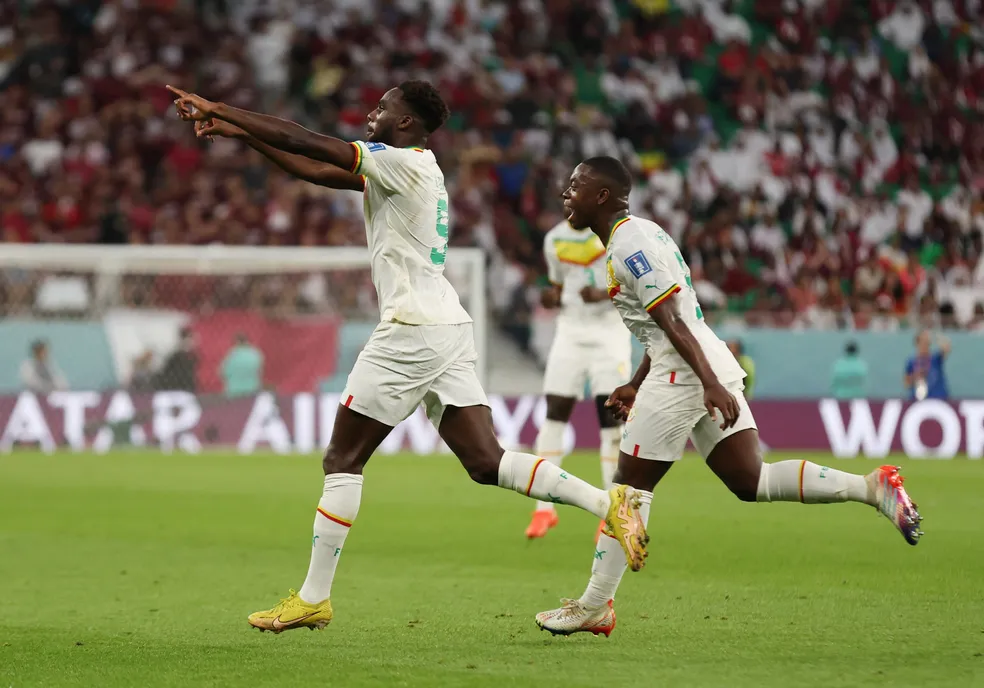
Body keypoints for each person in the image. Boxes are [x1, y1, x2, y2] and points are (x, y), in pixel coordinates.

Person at [167, 82, 648, 633]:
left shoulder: (404, 165)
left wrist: (222, 107)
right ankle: (608, 503)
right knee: (486, 462)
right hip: (446, 325)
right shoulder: (412, 168)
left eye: (381, 109)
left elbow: (313, 144)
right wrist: (240, 133)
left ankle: (313, 598)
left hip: (410, 331)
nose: (370, 114)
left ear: (405, 124)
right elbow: (317, 171)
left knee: (341, 460)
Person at [534, 157, 923, 637]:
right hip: (698, 363)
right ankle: (871, 488)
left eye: (577, 185)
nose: (566, 193)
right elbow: (667, 327)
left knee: (627, 492)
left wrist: (706, 384)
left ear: (603, 196)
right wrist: (638, 381)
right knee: (749, 479)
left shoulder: (629, 245)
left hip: (685, 374)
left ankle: (595, 605)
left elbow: (673, 321)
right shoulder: (642, 233)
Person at [528, 219, 633, 540]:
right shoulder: (554, 238)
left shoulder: (615, 235)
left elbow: (632, 285)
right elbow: (559, 287)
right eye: (567, 193)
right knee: (554, 413)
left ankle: (612, 510)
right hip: (570, 329)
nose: (569, 199)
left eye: (575, 192)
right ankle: (544, 511)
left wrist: (603, 294)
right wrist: (552, 298)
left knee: (610, 418)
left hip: (609, 331)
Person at [904, 330, 949, 400]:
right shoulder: (912, 361)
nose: (925, 345)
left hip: (938, 399)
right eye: (922, 342)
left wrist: (937, 337)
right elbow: (906, 384)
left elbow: (946, 348)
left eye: (927, 342)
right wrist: (916, 375)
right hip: (919, 401)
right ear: (917, 343)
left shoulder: (935, 358)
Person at [221, 333, 264, 398]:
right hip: (252, 390)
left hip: (234, 392)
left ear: (237, 342)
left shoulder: (232, 355)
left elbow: (223, 373)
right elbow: (260, 372)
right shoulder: (256, 354)